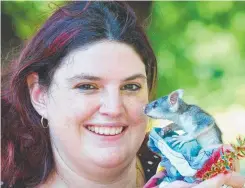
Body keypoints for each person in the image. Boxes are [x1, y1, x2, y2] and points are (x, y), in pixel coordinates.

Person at [1, 1, 244, 188]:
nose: (114, 108)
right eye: (87, 86)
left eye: (130, 87)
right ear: (39, 95)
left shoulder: (189, 166)